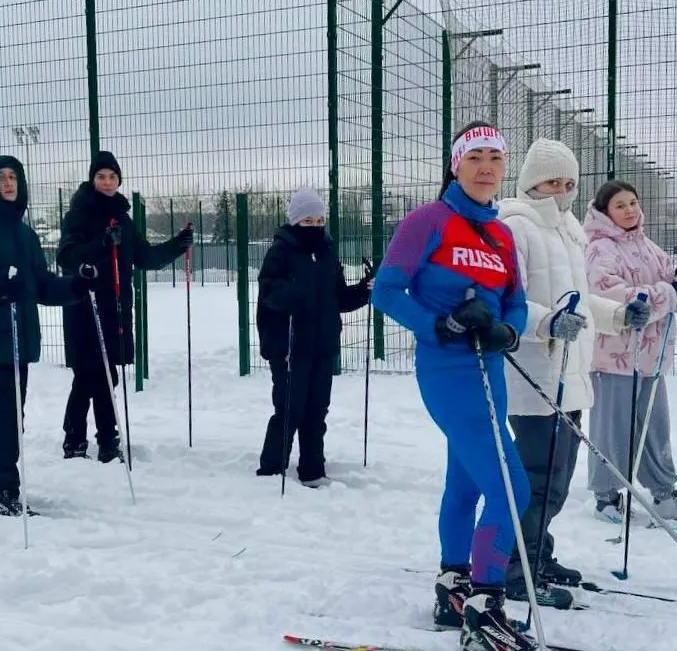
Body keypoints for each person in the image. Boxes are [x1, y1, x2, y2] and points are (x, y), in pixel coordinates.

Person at [372, 121, 538, 649]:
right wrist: (438, 324)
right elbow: (387, 290)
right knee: (512, 487)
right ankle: (487, 605)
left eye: (495, 157)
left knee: (468, 483)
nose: (486, 166)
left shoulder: (502, 233)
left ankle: (454, 588)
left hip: (489, 369)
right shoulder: (429, 221)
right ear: (455, 165)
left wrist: (506, 330)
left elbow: (514, 299)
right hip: (447, 370)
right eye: (475, 157)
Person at [496, 139, 652, 609]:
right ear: (529, 183)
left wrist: (620, 314)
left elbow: (580, 299)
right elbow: (507, 301)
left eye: (568, 183)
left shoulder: (569, 230)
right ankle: (510, 566)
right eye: (550, 182)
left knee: (558, 479)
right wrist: (545, 321)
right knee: (536, 477)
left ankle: (538, 553)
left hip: (572, 373)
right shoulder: (515, 227)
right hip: (534, 373)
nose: (560, 191)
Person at [0, 155, 92, 516]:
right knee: (5, 420)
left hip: (19, 338)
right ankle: (2, 493)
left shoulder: (24, 234)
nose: (9, 184)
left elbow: (40, 285)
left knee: (9, 418)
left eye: (14, 177)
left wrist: (76, 285)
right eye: (0, 178)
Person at [583, 179, 677, 522]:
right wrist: (667, 293)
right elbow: (610, 295)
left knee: (655, 426)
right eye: (620, 205)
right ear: (605, 212)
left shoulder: (647, 246)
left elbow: (672, 290)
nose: (629, 210)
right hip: (614, 356)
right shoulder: (598, 248)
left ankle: (664, 493)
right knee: (613, 427)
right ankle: (606, 496)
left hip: (651, 356)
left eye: (633, 203)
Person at [56, 150, 194, 463]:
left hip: (115, 305)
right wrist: (101, 245)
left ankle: (92, 439)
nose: (107, 182)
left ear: (119, 180)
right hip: (85, 305)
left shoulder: (124, 219)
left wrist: (177, 244)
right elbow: (67, 256)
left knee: (102, 376)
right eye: (101, 176)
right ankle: (92, 440)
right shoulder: (78, 214)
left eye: (112, 177)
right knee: (93, 375)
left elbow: (145, 258)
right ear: (93, 179)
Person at [254, 187, 373, 487]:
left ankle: (313, 470)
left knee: (317, 409)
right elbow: (269, 291)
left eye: (320, 221)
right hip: (290, 346)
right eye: (308, 221)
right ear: (295, 221)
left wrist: (365, 288)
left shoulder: (327, 253)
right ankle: (271, 469)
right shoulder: (281, 251)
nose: (315, 227)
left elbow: (340, 299)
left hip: (322, 345)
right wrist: (290, 295)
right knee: (290, 408)